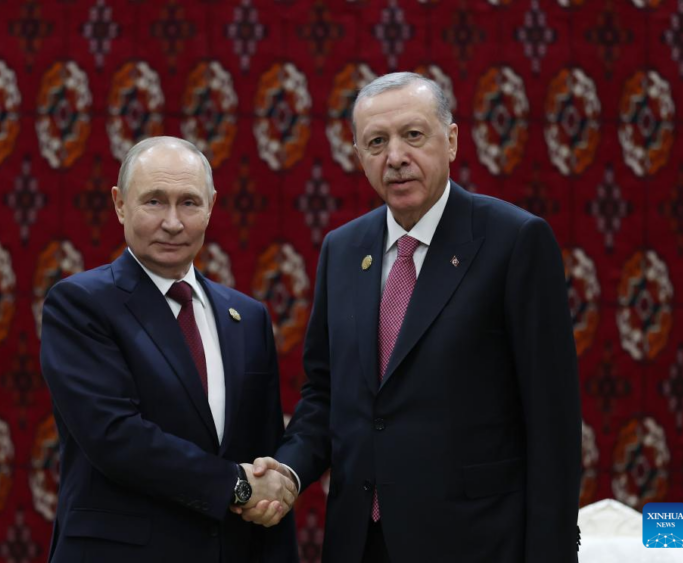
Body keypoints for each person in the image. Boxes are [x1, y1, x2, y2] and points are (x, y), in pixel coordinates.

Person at [244, 73, 582, 562]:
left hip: (474, 543)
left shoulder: (514, 242)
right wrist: (288, 472)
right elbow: (326, 393)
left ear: (451, 140)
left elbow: (553, 422)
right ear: (359, 156)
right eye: (377, 142)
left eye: (413, 135)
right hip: (359, 543)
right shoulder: (343, 250)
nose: (396, 157)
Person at [40, 136, 299, 563]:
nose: (173, 223)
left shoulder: (247, 317)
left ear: (211, 206)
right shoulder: (80, 304)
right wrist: (235, 485)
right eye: (155, 202)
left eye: (189, 203)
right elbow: (115, 437)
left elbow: (264, 453)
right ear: (120, 204)